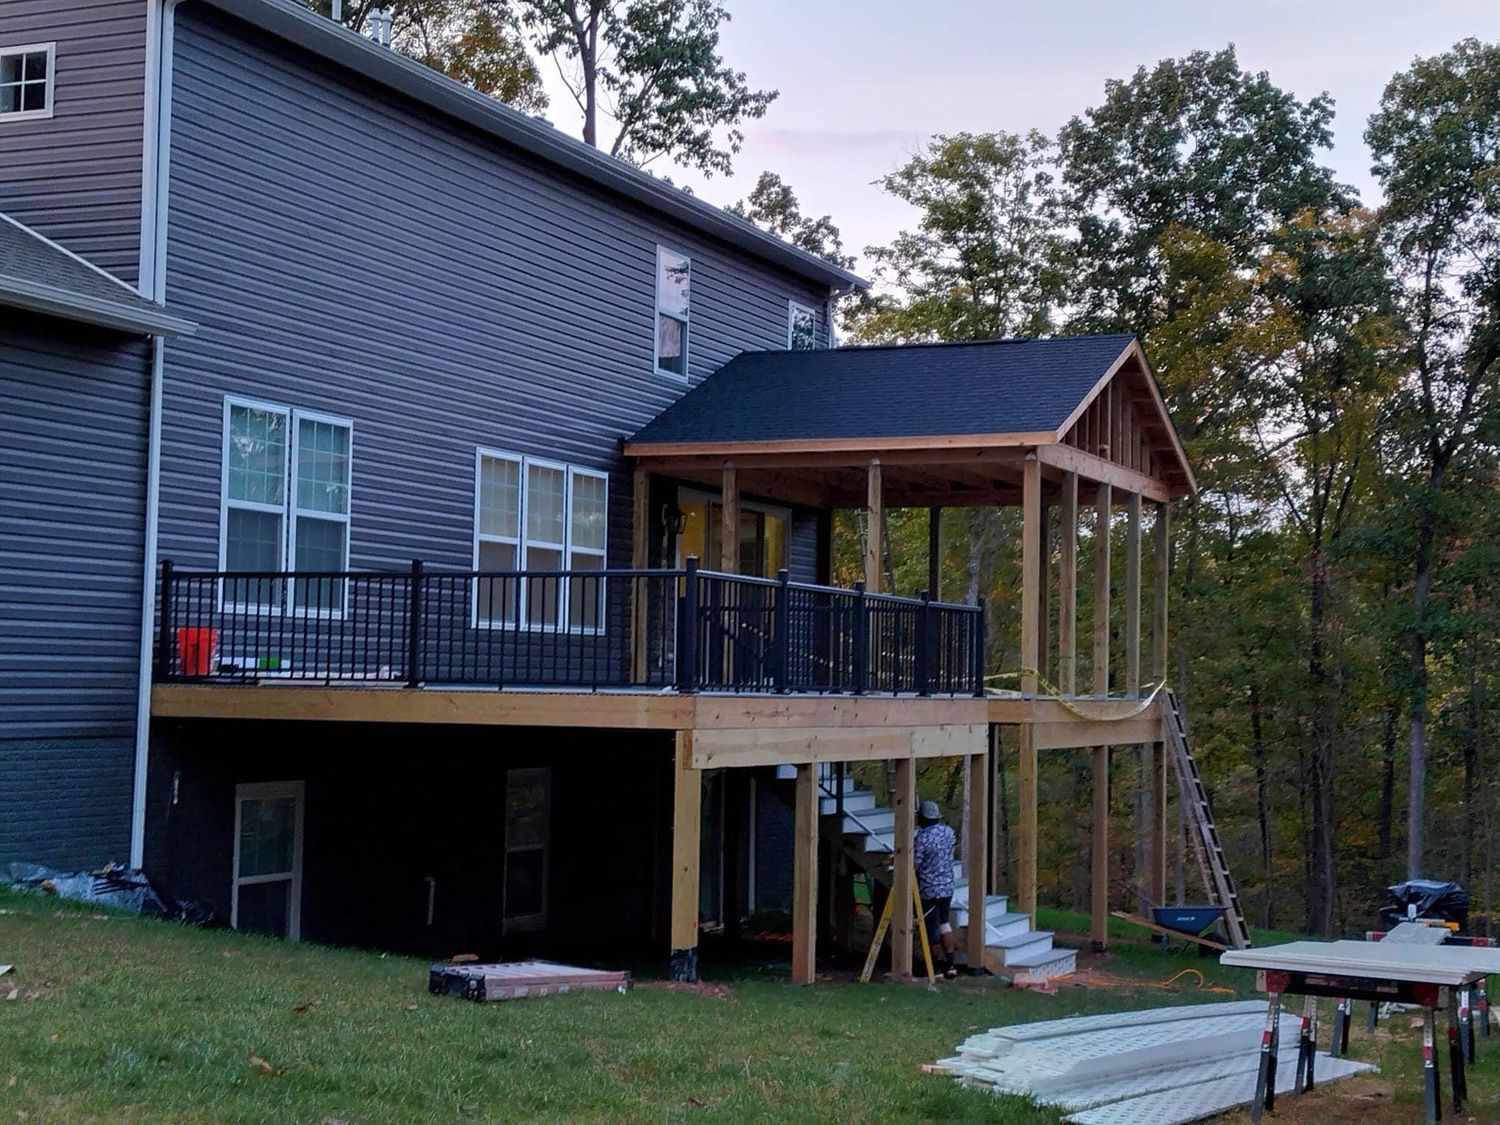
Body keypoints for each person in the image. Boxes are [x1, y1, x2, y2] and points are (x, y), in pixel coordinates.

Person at [913, 799, 958, 978]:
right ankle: (951, 965)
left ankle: (935, 968)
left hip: (929, 888)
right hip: (947, 886)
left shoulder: (922, 837)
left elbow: (915, 865)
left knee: (931, 928)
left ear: (922, 818)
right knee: (944, 924)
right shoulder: (949, 832)